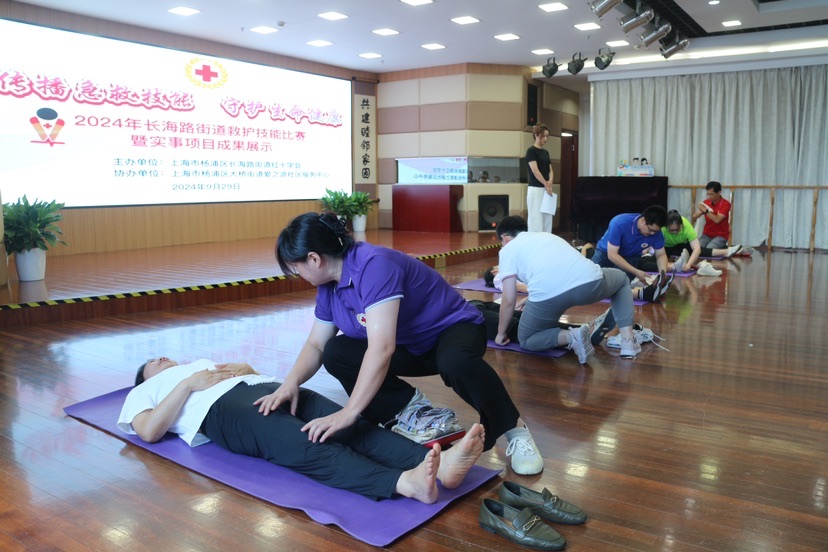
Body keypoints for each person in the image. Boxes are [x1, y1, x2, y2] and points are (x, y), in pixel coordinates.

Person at [257, 212, 544, 475]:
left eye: (296, 269)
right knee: (337, 352)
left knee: (455, 362)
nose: (298, 277)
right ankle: (412, 415)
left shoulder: (374, 265)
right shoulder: (328, 287)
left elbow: (381, 348)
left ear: (314, 259)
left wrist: (349, 412)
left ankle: (514, 429)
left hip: (452, 330)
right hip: (409, 346)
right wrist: (290, 383)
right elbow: (317, 345)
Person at [118, 357, 486, 502]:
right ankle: (404, 483)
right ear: (147, 376)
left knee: (349, 425)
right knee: (309, 444)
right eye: (154, 362)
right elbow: (149, 431)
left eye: (164, 357)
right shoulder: (145, 390)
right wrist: (187, 384)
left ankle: (439, 461)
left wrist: (243, 370)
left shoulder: (200, 362)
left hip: (268, 388)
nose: (163, 359)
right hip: (225, 411)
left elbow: (246, 369)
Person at [494, 216, 644, 361]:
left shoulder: (507, 250)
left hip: (549, 297)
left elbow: (508, 299)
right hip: (589, 283)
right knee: (622, 279)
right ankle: (628, 341)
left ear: (505, 237)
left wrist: (501, 334)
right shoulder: (546, 236)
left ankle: (572, 336)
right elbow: (562, 270)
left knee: (527, 339)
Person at [591, 205, 670, 287]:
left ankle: (642, 293)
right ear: (643, 221)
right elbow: (612, 255)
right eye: (651, 230)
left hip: (630, 256)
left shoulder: (657, 233)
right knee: (590, 280)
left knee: (618, 284)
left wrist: (662, 274)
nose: (653, 234)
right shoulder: (619, 223)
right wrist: (636, 271)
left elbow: (661, 254)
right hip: (605, 253)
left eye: (656, 231)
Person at [660, 209, 742, 273]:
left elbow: (697, 249)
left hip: (682, 245)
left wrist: (689, 264)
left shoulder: (686, 225)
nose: (674, 232)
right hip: (666, 247)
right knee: (658, 259)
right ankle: (674, 264)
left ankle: (726, 251)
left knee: (699, 249)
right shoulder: (662, 228)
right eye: (671, 230)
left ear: (681, 225)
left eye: (677, 230)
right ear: (666, 227)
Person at [691, 181, 738, 251]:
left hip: (721, 236)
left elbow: (717, 220)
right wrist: (697, 214)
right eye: (708, 194)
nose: (709, 197)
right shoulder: (706, 202)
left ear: (719, 192)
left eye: (712, 194)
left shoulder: (726, 204)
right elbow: (694, 217)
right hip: (707, 234)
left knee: (710, 249)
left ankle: (723, 248)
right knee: (696, 248)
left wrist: (706, 210)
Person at [525, 123, 554, 233]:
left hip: (546, 189)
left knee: (547, 218)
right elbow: (535, 171)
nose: (545, 139)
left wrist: (550, 182)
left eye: (547, 136)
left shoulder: (546, 152)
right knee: (536, 219)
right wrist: (546, 184)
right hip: (536, 189)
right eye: (543, 136)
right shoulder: (531, 151)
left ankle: (546, 243)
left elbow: (550, 169)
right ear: (536, 135)